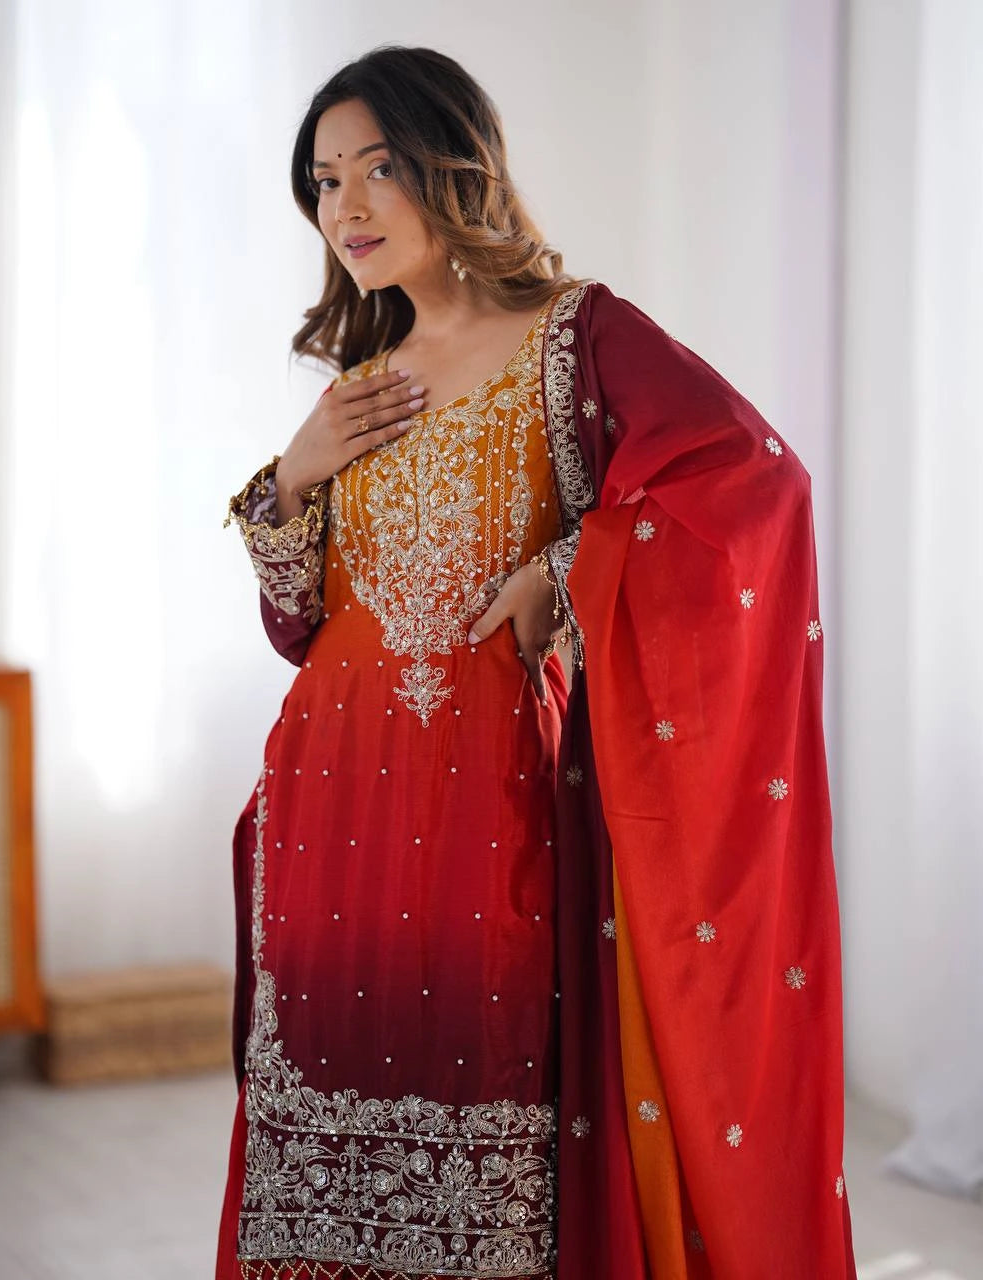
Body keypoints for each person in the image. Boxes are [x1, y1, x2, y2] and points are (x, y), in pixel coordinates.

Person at [217, 44, 856, 1280]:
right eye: (322, 180)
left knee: (494, 1154)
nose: (343, 207)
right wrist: (291, 473)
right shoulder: (357, 386)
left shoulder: (577, 339)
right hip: (328, 815)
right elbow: (302, 624)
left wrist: (570, 568)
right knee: (317, 1185)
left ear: (453, 166)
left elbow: (751, 483)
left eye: (375, 169)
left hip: (487, 807)